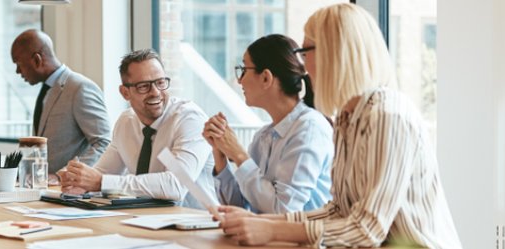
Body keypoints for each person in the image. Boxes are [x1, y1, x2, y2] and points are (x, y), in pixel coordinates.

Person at [213, 4, 462, 248]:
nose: (303, 68)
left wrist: (272, 228)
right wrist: (264, 221)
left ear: (335, 54)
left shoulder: (388, 115)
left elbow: (367, 229)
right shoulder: (346, 119)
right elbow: (338, 211)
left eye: (306, 53)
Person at [57, 49, 215, 209]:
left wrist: (100, 182)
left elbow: (176, 185)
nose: (155, 92)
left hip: (196, 223)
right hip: (145, 221)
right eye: (144, 86)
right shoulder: (126, 122)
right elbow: (103, 174)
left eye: (160, 82)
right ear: (125, 92)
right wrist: (78, 182)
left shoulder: (189, 119)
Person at [203, 34, 333, 214]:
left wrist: (239, 154)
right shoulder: (263, 137)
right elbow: (239, 208)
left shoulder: (309, 129)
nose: (239, 80)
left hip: (303, 241)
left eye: (244, 69)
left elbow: (284, 211)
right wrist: (220, 154)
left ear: (266, 78)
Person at [11, 29, 111, 178]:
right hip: (44, 189)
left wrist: (62, 175)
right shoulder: (47, 90)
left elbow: (103, 143)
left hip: (69, 191)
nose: (17, 71)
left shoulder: (80, 88)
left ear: (37, 60)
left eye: (19, 64)